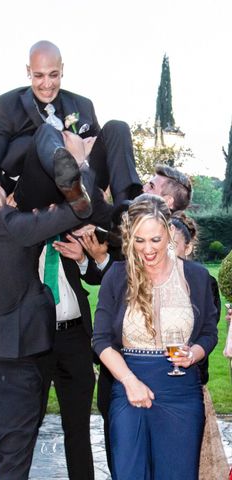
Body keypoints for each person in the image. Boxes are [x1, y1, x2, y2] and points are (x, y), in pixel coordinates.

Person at [0, 161, 96, 480]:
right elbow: (79, 208)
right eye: (0, 189)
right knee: (13, 457)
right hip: (12, 362)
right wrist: (83, 166)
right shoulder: (13, 225)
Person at [92, 194, 218, 479]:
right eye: (139, 240)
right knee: (129, 473)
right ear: (129, 238)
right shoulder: (116, 276)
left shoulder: (196, 277)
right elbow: (100, 340)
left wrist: (194, 354)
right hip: (129, 388)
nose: (147, 249)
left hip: (182, 393)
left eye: (155, 240)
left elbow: (209, 332)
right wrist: (129, 382)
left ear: (169, 232)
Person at [0, 40, 141, 209]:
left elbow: (102, 150)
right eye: (39, 75)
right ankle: (70, 181)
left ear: (62, 70)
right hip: (31, 187)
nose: (47, 84)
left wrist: (85, 161)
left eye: (53, 74)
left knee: (118, 127)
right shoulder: (8, 104)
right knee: (47, 132)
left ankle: (129, 208)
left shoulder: (83, 105)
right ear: (29, 71)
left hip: (83, 183)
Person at [170, 212, 228, 480]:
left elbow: (208, 332)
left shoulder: (204, 281)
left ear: (188, 247)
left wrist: (190, 357)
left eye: (172, 244)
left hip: (188, 381)